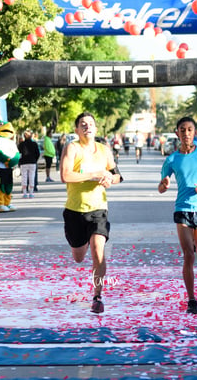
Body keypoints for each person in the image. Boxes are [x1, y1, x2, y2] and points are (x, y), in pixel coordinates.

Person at [158, 116, 197, 315]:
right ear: (177, 133)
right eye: (182, 129)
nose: (186, 133)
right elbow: (161, 187)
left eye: (189, 129)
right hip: (183, 209)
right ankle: (191, 299)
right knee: (188, 256)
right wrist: (164, 184)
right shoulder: (171, 159)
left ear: (195, 133)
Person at [60, 111, 122, 314]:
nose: (87, 126)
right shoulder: (72, 147)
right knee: (79, 256)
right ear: (77, 129)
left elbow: (117, 175)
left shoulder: (104, 150)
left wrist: (110, 179)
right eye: (83, 124)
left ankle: (97, 296)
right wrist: (95, 175)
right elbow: (65, 175)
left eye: (91, 124)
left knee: (98, 251)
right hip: (74, 210)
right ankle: (81, 243)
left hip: (98, 208)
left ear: (96, 128)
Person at [0, 122, 20, 213]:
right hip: (0, 168)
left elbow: (17, 154)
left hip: (8, 169)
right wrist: (6, 160)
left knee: (8, 186)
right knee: (0, 185)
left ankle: (7, 203)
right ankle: (0, 204)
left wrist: (12, 162)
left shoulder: (11, 142)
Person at [19, 130, 40, 197]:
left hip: (23, 162)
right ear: (31, 136)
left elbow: (19, 154)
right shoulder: (34, 144)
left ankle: (25, 193)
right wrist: (35, 160)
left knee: (24, 177)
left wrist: (20, 161)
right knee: (32, 177)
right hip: (32, 162)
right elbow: (38, 153)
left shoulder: (21, 144)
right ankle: (31, 193)